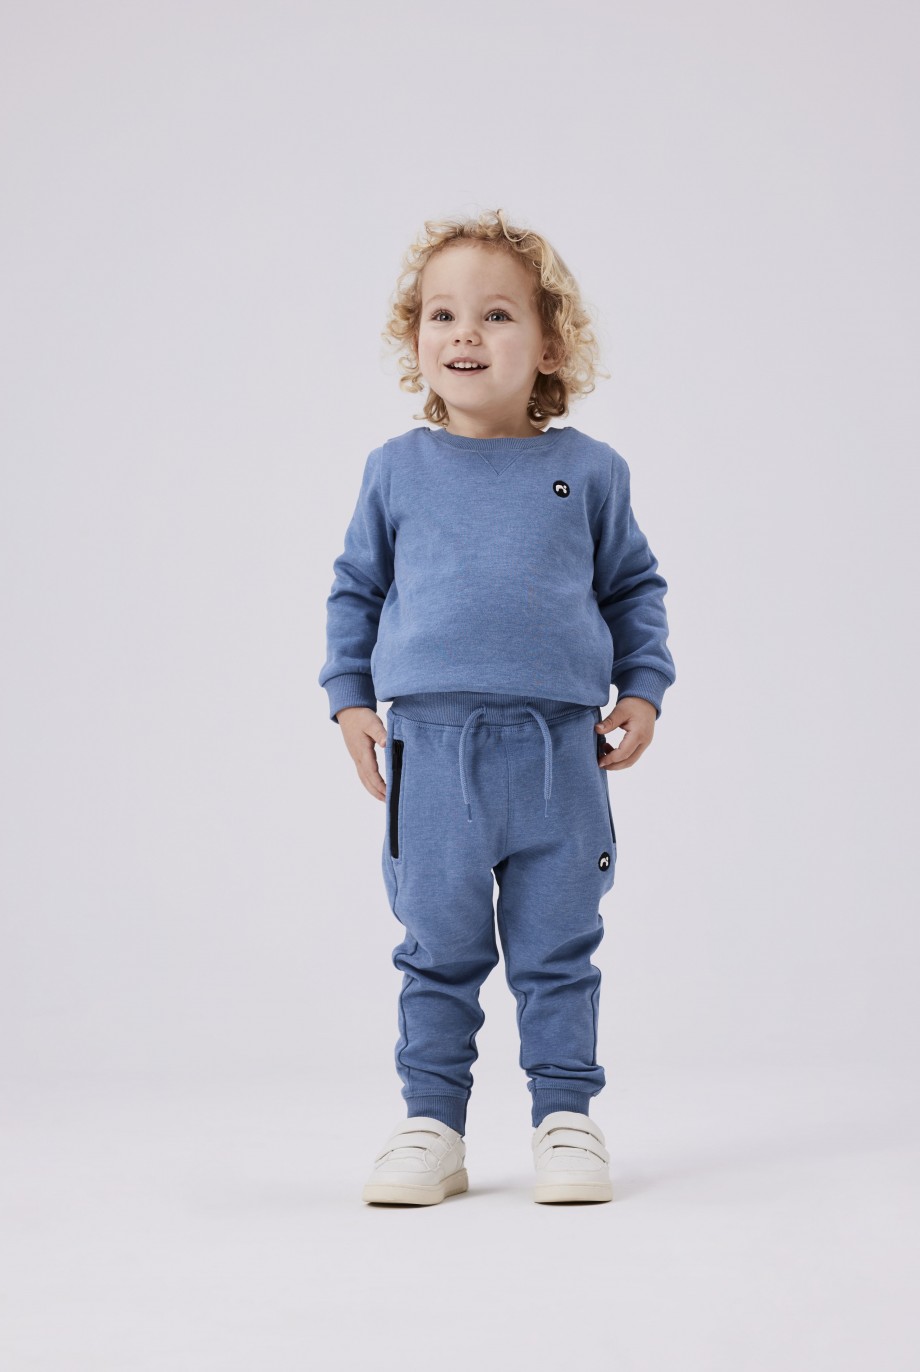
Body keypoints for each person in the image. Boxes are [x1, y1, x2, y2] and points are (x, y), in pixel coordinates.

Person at [318, 208, 676, 1206]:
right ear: (416, 340)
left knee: (558, 950)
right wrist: (349, 699)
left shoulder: (589, 471)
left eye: (497, 314)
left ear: (550, 344)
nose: (464, 334)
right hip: (430, 753)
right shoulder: (396, 469)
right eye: (441, 314)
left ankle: (567, 1119)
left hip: (560, 755)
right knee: (437, 949)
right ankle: (431, 1124)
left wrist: (644, 688)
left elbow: (633, 588)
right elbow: (355, 589)